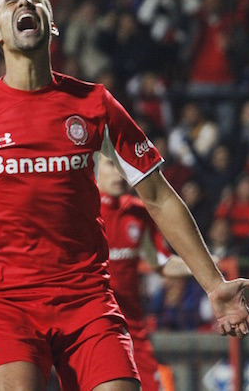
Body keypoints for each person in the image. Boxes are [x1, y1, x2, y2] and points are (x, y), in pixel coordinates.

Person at [0, 0, 249, 391]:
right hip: (7, 302)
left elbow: (158, 195)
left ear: (51, 25)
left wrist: (214, 284)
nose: (24, 2)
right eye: (12, 1)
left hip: (87, 298)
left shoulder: (94, 103)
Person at [96, 154, 190, 391]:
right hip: (93, 322)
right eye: (111, 165)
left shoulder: (138, 212)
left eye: (122, 167)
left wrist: (206, 267)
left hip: (132, 326)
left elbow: (161, 263)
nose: (118, 173)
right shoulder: (81, 209)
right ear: (95, 169)